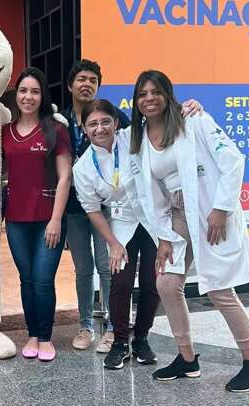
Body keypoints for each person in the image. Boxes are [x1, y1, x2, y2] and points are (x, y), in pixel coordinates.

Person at [130, 70, 249, 392]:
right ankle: (187, 358)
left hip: (208, 211)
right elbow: (153, 193)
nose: (149, 99)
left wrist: (221, 209)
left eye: (155, 92)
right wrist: (163, 236)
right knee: (166, 283)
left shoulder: (194, 120)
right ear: (136, 102)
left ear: (167, 94)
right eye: (142, 94)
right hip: (176, 215)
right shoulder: (138, 138)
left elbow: (233, 160)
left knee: (220, 289)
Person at [72, 99, 160, 370]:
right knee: (120, 282)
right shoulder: (83, 168)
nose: (100, 128)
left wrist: (191, 108)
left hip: (153, 218)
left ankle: (142, 339)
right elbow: (92, 209)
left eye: (105, 121)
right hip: (121, 224)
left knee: (151, 281)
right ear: (84, 128)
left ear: (116, 122)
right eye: (93, 124)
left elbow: (162, 121)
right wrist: (112, 242)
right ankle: (120, 341)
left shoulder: (132, 138)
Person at [2, 67, 72, 362]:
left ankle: (45, 336)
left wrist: (56, 219)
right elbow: (2, 173)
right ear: (15, 95)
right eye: (23, 91)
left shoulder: (55, 130)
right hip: (16, 218)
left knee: (43, 278)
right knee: (27, 279)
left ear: (42, 96)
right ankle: (32, 333)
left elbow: (65, 177)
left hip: (48, 218)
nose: (28, 97)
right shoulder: (5, 132)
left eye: (34, 91)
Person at [61, 60, 128, 352]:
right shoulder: (59, 121)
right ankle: (86, 325)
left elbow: (142, 135)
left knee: (107, 265)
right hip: (74, 208)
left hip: (108, 207)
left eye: (92, 80)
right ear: (70, 85)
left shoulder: (112, 117)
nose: (86, 84)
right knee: (82, 269)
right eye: (81, 79)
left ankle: (113, 325)